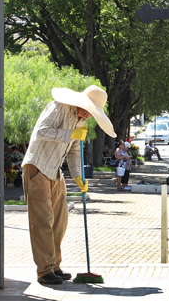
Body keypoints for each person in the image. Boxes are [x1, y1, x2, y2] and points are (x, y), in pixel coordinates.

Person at [22, 85, 116, 285]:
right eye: (90, 110)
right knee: (43, 221)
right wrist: (70, 134)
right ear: (83, 104)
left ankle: (54, 266)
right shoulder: (58, 107)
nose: (90, 116)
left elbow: (74, 151)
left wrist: (78, 177)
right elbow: (41, 132)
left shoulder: (81, 120)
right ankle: (44, 271)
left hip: (55, 171)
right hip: (37, 166)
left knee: (60, 220)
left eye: (93, 113)